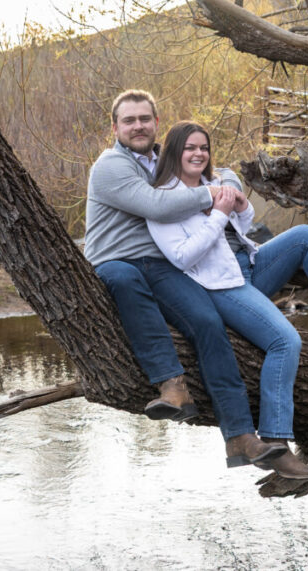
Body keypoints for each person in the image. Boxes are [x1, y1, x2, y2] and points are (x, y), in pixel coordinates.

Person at [146, 121, 308, 479]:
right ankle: (275, 440)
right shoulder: (164, 200)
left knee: (304, 237)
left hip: (247, 266)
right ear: (174, 152)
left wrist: (240, 204)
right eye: (190, 148)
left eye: (203, 147)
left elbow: (244, 222)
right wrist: (218, 214)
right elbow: (184, 257)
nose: (198, 154)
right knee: (285, 341)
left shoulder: (211, 182)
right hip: (219, 287)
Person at [85, 90, 286, 471]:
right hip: (115, 260)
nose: (138, 126)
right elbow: (156, 205)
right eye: (129, 120)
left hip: (164, 265)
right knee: (126, 280)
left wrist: (226, 185)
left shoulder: (167, 158)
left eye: (145, 119)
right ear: (115, 127)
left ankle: (241, 437)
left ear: (157, 123)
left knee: (209, 323)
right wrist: (212, 195)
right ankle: (171, 384)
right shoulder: (110, 165)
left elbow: (214, 168)